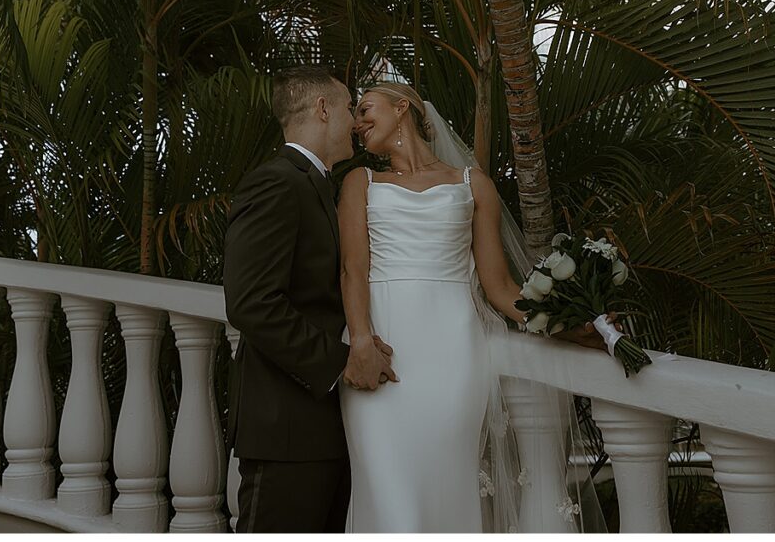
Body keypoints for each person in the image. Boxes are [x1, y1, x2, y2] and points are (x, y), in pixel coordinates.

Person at [337, 82, 616, 533]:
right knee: (387, 495)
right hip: (380, 351)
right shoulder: (360, 182)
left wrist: (566, 326)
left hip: (454, 358)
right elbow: (352, 271)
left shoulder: (472, 184)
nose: (357, 124)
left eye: (365, 109)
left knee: (447, 490)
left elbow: (501, 289)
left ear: (401, 106)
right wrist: (362, 341)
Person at [222, 66, 396, 533]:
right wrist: (343, 362)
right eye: (346, 108)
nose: (355, 123)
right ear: (322, 110)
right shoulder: (278, 182)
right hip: (286, 432)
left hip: (322, 429)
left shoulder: (317, 184)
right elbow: (251, 302)